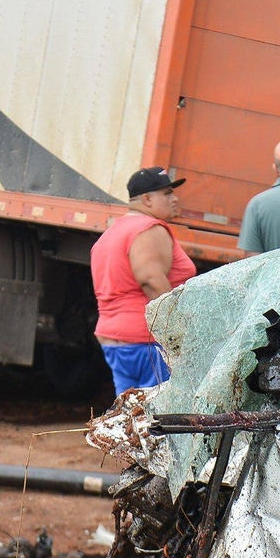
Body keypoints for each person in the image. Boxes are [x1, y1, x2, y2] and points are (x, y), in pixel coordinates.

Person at [91, 167, 197, 395]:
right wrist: (174, 333)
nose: (175, 198)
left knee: (129, 416)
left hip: (115, 340)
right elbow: (150, 280)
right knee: (157, 419)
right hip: (147, 342)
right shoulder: (149, 229)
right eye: (167, 193)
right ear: (147, 199)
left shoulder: (112, 232)